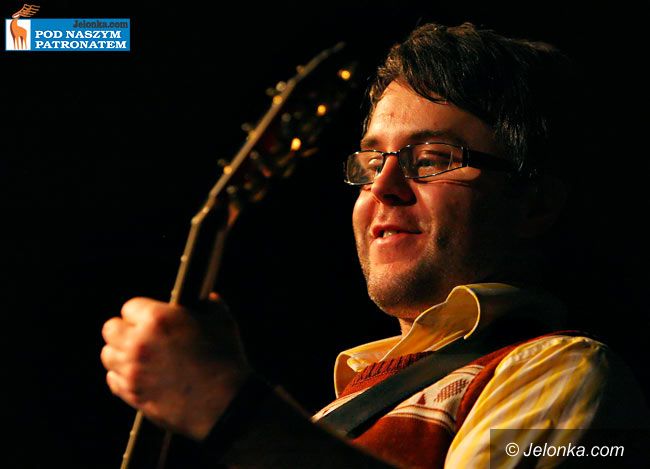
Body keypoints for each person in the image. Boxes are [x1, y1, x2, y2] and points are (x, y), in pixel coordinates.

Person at [101, 22, 648, 467]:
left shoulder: (567, 372)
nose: (382, 186)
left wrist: (230, 408)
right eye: (371, 161)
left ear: (535, 205)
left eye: (431, 159)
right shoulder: (338, 411)